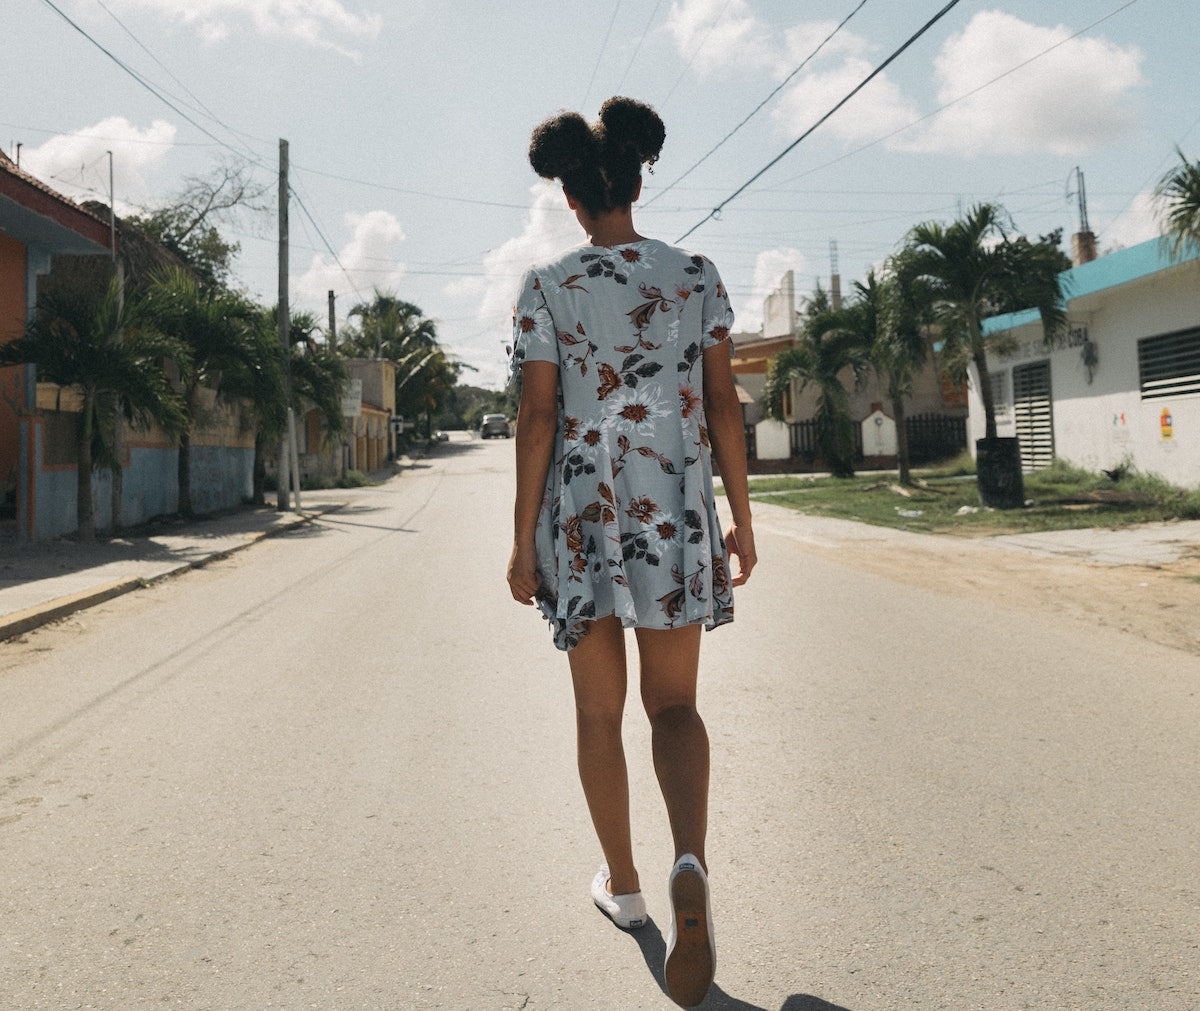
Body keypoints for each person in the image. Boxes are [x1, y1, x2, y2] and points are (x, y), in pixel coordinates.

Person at [506, 96, 756, 1009]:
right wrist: (743, 517)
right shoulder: (695, 275)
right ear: (640, 181)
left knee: (598, 713)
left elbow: (538, 415)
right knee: (677, 703)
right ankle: (691, 854)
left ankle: (627, 885)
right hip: (677, 509)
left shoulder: (548, 285)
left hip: (584, 515)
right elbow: (725, 405)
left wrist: (521, 535)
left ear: (571, 198)